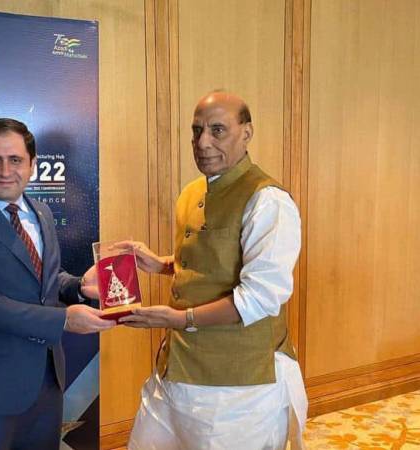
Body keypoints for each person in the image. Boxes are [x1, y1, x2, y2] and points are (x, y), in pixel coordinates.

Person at [117, 91, 307, 449]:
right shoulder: (192, 192)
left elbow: (260, 297)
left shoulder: (269, 201)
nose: (203, 143)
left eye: (218, 130)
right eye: (197, 130)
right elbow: (213, 262)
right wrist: (161, 264)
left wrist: (179, 318)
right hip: (178, 365)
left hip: (238, 383)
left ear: (246, 133)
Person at [0, 118, 115, 450]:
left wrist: (77, 287)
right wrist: (63, 319)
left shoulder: (40, 211)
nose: (5, 171)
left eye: (15, 160)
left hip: (46, 380)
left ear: (32, 164)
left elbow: (42, 278)